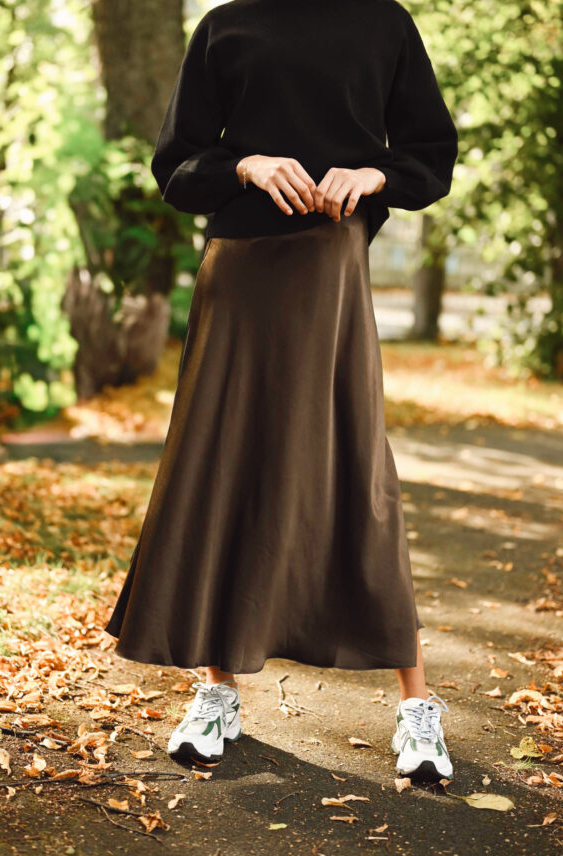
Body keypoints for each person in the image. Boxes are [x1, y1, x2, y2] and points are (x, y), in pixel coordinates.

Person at [104, 0, 458, 782]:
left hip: (331, 268)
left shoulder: (383, 24)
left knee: (356, 468)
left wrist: (373, 173)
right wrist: (245, 165)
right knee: (223, 463)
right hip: (237, 270)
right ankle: (217, 692)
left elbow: (430, 154)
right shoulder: (226, 27)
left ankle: (417, 706)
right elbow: (176, 166)